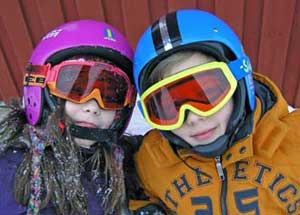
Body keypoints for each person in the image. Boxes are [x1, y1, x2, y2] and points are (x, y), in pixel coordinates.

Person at [129, 9, 300, 215]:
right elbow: (141, 197)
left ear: (239, 82)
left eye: (207, 93)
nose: (192, 117)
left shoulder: (294, 143)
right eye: (168, 107)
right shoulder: (151, 161)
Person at [0, 20, 138, 215]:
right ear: (41, 86)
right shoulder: (12, 175)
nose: (92, 106)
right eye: (77, 88)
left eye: (110, 95)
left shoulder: (125, 162)